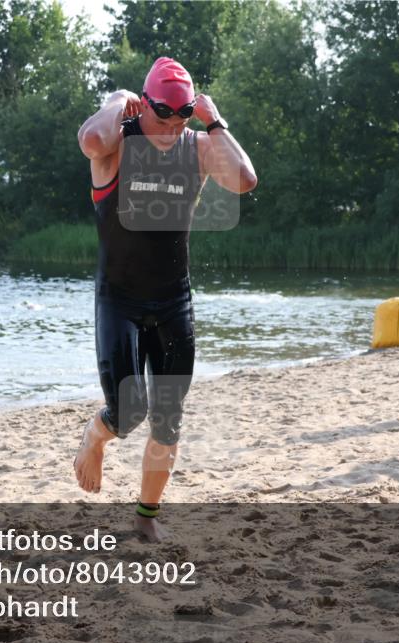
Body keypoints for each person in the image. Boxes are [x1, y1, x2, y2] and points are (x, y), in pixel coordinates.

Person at [73, 57, 257, 541]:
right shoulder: (117, 144)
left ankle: (145, 517)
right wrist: (116, 100)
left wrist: (214, 121)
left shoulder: (197, 147)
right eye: (163, 116)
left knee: (168, 419)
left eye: (183, 117)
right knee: (127, 413)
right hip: (119, 302)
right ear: (144, 104)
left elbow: (244, 180)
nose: (173, 128)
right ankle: (95, 436)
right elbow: (90, 140)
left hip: (174, 301)